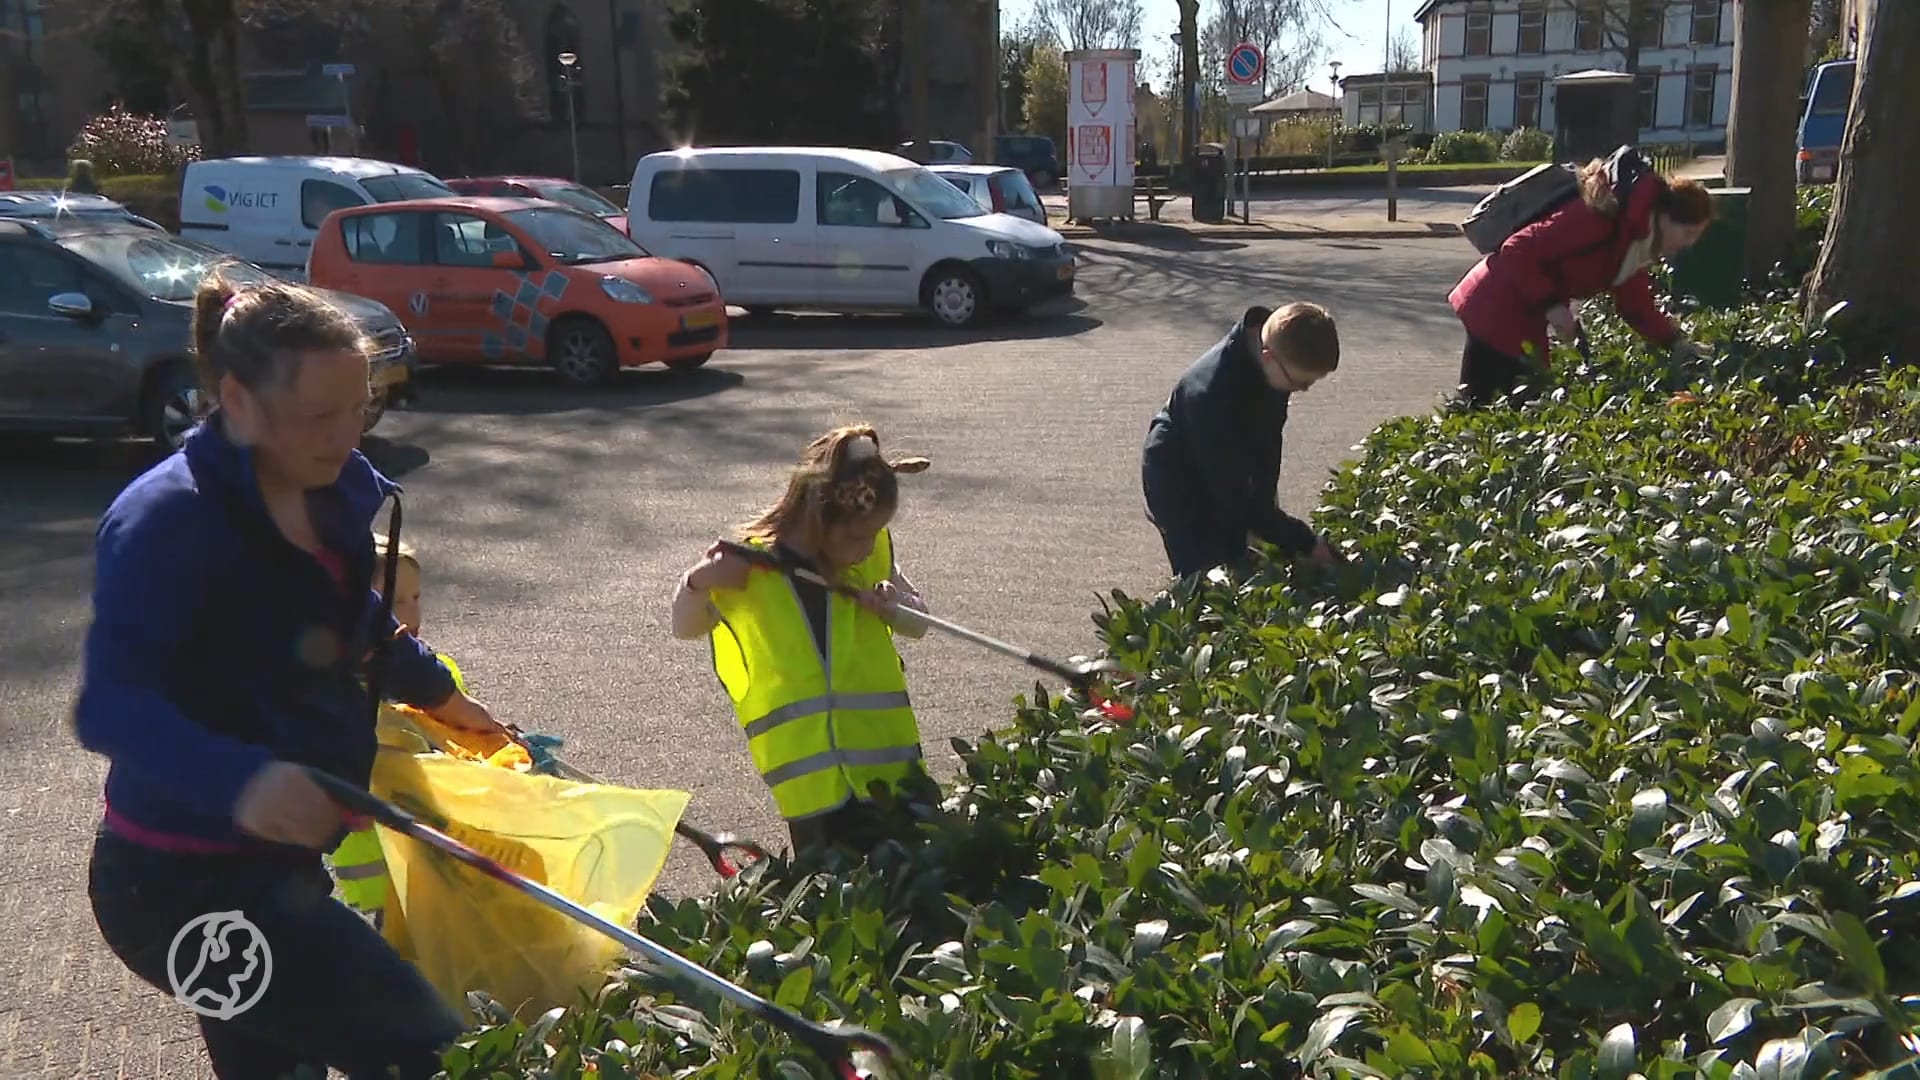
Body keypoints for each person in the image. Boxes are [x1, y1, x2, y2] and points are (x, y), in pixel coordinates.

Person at [75, 271, 505, 1079]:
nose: (347, 434)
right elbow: (113, 706)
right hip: (174, 891)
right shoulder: (166, 520)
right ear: (237, 400)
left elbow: (349, 622)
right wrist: (247, 782)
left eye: (360, 408)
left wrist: (444, 696)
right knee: (438, 1055)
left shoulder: (324, 493)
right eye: (318, 414)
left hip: (278, 873)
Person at [670, 425, 938, 856]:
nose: (868, 549)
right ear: (818, 517)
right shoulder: (750, 567)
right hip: (814, 791)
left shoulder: (872, 555)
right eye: (857, 537)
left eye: (875, 534)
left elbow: (919, 622)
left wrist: (895, 606)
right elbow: (685, 626)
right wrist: (698, 582)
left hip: (891, 771)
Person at [1448, 147, 1715, 407]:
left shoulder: (1633, 242)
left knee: (1508, 404)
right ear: (1665, 217)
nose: (1688, 244)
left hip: (1521, 318)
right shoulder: (1599, 218)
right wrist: (1551, 304)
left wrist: (1676, 343)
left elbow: (1636, 307)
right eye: (1688, 234)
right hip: (1494, 307)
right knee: (1487, 406)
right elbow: (1517, 248)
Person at [1141, 302, 1343, 581]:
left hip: (1223, 461)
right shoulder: (1212, 395)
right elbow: (1234, 499)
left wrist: (1267, 508)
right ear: (1268, 357)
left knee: (1243, 550)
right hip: (1179, 483)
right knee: (1210, 578)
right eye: (1299, 382)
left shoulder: (1278, 349)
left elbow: (1269, 441)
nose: (1302, 390)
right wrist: (1305, 542)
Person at [332, 532, 470, 930]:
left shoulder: (437, 674)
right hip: (381, 870)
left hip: (437, 859)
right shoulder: (341, 695)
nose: (410, 614)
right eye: (394, 603)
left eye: (416, 598)